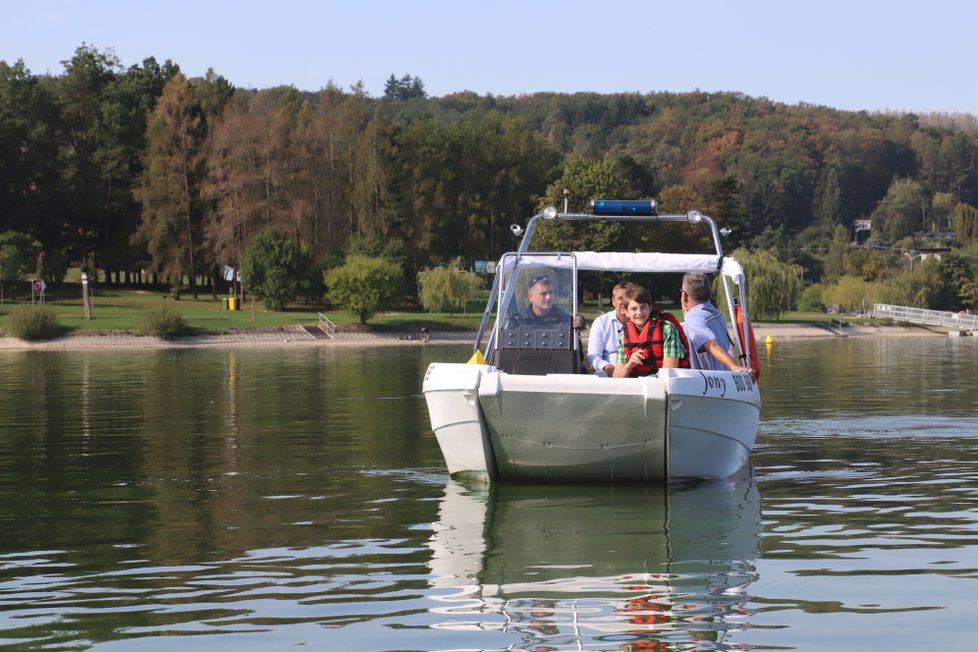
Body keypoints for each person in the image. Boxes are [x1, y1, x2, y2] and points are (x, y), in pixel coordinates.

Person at [680, 272, 754, 375]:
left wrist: (735, 367)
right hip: (724, 378)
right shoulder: (716, 314)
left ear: (684, 295)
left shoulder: (693, 319)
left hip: (707, 384)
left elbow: (712, 345)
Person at [613, 285, 689, 378]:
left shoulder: (667, 329)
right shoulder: (623, 336)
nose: (639, 312)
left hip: (664, 387)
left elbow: (669, 371)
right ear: (626, 312)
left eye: (643, 307)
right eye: (634, 309)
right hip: (637, 386)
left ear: (650, 308)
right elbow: (616, 377)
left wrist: (650, 379)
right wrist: (629, 365)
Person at [587, 281, 635, 376]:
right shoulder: (601, 322)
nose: (623, 302)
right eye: (620, 298)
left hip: (636, 368)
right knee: (599, 376)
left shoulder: (641, 321)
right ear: (613, 301)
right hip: (609, 369)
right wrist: (606, 366)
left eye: (628, 298)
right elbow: (593, 355)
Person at [504, 274, 571, 328]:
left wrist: (577, 326)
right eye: (543, 294)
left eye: (551, 292)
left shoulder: (565, 320)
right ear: (530, 296)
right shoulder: (517, 321)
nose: (548, 297)